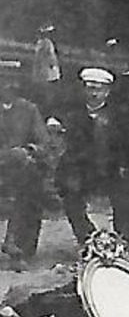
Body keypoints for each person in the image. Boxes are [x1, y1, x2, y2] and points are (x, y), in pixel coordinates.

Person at [50, 67, 120, 249]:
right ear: (83, 90)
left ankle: (121, 238)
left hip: (111, 168)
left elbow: (124, 147)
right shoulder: (72, 115)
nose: (94, 94)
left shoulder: (118, 116)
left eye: (99, 89)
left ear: (108, 92)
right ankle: (87, 237)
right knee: (70, 191)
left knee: (127, 191)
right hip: (82, 170)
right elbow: (68, 150)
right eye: (90, 89)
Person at [0, 62, 51, 266]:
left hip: (20, 167)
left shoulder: (29, 110)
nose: (8, 87)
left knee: (30, 179)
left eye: (13, 82)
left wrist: (29, 150)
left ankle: (18, 244)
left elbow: (44, 142)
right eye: (4, 82)